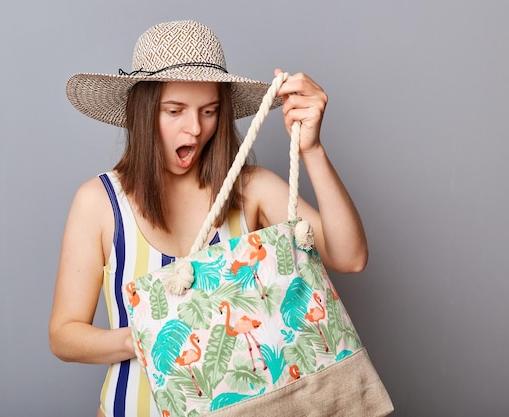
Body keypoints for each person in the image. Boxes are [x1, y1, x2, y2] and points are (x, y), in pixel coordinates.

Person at [49, 20, 368, 417]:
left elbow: (350, 256)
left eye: (210, 111)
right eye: (175, 110)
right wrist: (147, 337)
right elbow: (64, 335)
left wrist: (313, 148)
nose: (195, 128)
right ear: (143, 112)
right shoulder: (99, 202)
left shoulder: (249, 189)